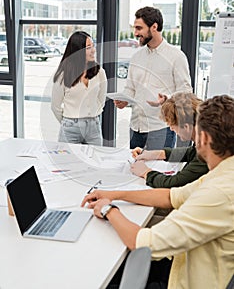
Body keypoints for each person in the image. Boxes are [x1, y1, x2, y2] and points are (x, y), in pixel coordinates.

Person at [81, 94, 234, 289]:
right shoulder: (223, 174)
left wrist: (108, 210)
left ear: (202, 137)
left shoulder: (218, 194)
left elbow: (142, 243)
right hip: (185, 262)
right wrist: (114, 194)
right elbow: (170, 196)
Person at [114, 6, 192, 150]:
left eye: (139, 28)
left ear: (154, 27)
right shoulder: (136, 56)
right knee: (134, 169)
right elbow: (130, 88)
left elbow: (186, 91)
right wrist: (124, 100)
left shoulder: (176, 56)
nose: (135, 33)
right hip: (136, 128)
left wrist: (167, 98)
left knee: (158, 170)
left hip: (161, 128)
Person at [130, 92, 209, 188]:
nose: (171, 129)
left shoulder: (207, 150)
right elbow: (190, 152)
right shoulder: (203, 136)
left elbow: (175, 183)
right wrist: (154, 154)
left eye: (172, 125)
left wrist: (145, 172)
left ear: (186, 127)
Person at [51, 31, 107, 145]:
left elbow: (101, 99)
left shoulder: (99, 72)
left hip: (93, 127)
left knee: (95, 161)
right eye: (88, 47)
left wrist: (94, 113)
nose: (93, 50)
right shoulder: (63, 74)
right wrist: (69, 121)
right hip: (70, 128)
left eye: (93, 46)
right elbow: (55, 106)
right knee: (68, 162)